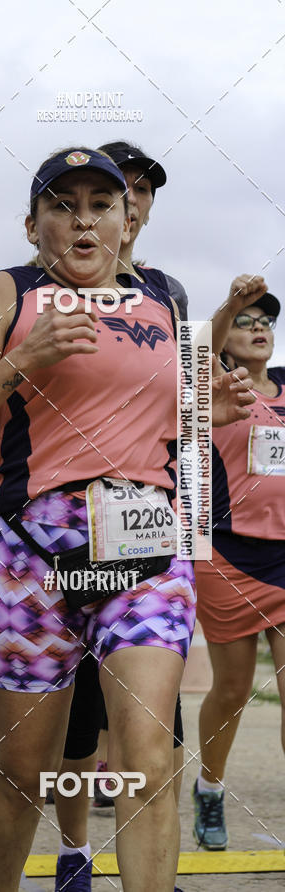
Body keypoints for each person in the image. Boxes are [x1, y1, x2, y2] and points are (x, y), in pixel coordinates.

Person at [0, 147, 255, 891]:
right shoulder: (8, 292)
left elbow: (165, 422)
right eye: (62, 205)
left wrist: (206, 411)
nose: (83, 220)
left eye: (101, 205)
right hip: (29, 557)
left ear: (126, 221)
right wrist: (22, 358)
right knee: (23, 770)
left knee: (148, 760)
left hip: (144, 554)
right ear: (32, 224)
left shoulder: (162, 299)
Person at [50, 142, 189, 892]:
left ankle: (154, 865)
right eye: (119, 189)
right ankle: (73, 850)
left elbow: (183, 413)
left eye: (142, 191)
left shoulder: (168, 293)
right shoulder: (43, 287)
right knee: (73, 721)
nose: (131, 201)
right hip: (56, 541)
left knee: (153, 737)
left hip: (145, 538)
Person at [192, 275, 285, 851]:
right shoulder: (208, 386)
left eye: (266, 321)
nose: (258, 329)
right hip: (228, 554)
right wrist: (229, 304)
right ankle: (209, 786)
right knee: (232, 690)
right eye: (245, 322)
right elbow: (192, 353)